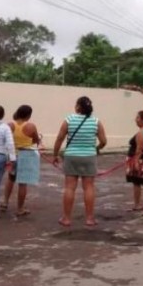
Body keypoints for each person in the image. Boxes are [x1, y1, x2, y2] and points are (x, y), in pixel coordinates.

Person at [53, 96, 107, 227]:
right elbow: (104, 141)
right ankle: (89, 218)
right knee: (88, 187)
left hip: (71, 156)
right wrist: (97, 148)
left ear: (78, 106)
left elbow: (60, 138)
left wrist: (55, 154)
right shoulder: (96, 121)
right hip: (89, 156)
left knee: (70, 187)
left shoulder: (69, 120)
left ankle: (66, 218)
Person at [1, 105, 41, 217]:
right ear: (28, 115)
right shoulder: (31, 126)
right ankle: (20, 208)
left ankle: (5, 202)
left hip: (13, 156)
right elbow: (36, 140)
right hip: (26, 156)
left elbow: (4, 140)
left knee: (10, 178)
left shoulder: (10, 125)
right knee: (23, 183)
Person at [125, 111, 143, 212]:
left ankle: (137, 204)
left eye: (138, 118)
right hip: (140, 159)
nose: (136, 120)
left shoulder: (142, 132)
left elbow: (139, 148)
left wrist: (135, 162)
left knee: (137, 182)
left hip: (138, 160)